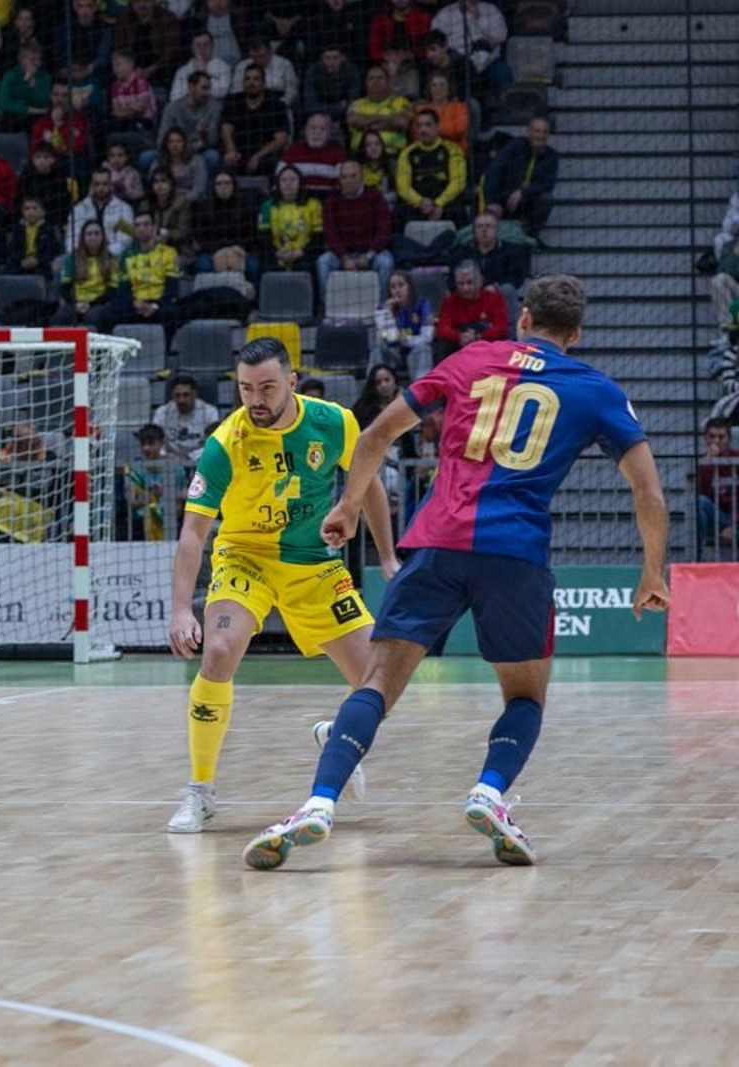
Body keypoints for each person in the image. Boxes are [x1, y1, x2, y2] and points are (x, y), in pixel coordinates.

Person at [243, 275, 668, 870]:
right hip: (515, 555)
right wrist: (652, 573)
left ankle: (318, 803)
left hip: (437, 542)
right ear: (574, 335)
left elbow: (376, 434)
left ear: (522, 318)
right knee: (525, 696)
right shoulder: (596, 390)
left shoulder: (471, 358)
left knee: (375, 685)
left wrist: (348, 505)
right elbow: (648, 492)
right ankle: (489, 792)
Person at [165, 337, 399, 833]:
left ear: (292, 382)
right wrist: (181, 609)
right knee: (219, 650)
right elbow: (193, 532)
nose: (256, 399)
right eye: (246, 389)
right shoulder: (225, 444)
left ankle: (338, 735)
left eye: (267, 387)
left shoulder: (332, 423)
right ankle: (200, 791)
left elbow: (369, 486)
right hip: (244, 558)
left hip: (312, 563)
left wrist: (387, 556)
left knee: (381, 682)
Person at [317, 158, 393, 297]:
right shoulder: (331, 200)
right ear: (339, 179)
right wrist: (344, 258)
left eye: (353, 176)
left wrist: (368, 256)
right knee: (323, 262)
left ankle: (382, 306)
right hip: (343, 254)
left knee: (386, 262)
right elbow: (330, 234)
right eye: (344, 177)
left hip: (371, 252)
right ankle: (327, 306)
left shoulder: (375, 197)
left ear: (362, 178)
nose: (349, 180)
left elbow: (384, 231)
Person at [480, 117, 558, 240]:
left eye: (544, 132)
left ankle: (531, 237)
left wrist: (523, 192)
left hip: (526, 201)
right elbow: (493, 172)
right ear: (528, 132)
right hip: (503, 199)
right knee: (488, 214)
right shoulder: (513, 148)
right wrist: (492, 201)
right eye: (537, 131)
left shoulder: (551, 156)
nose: (540, 136)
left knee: (547, 199)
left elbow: (548, 184)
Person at [376, 269, 435, 375]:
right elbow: (389, 337)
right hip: (394, 355)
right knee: (378, 345)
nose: (397, 290)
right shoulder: (382, 309)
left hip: (415, 352)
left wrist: (408, 340)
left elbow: (428, 337)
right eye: (393, 287)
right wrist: (388, 313)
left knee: (424, 348)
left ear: (409, 286)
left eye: (401, 285)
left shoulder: (423, 304)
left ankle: (421, 382)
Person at [151, 374, 220, 459]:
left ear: (194, 394)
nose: (181, 400)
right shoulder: (162, 413)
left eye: (186, 395)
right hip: (171, 461)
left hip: (201, 461)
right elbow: (156, 444)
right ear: (172, 395)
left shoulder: (210, 412)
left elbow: (214, 445)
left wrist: (191, 456)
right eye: (177, 395)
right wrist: (167, 456)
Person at [697, 418, 737, 549]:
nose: (716, 441)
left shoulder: (737, 459)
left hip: (736, 517)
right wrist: (708, 461)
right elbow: (703, 491)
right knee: (700, 502)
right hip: (717, 516)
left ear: (729, 439)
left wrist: (733, 526)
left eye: (721, 437)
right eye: (712, 436)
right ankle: (697, 554)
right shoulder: (702, 462)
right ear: (705, 439)